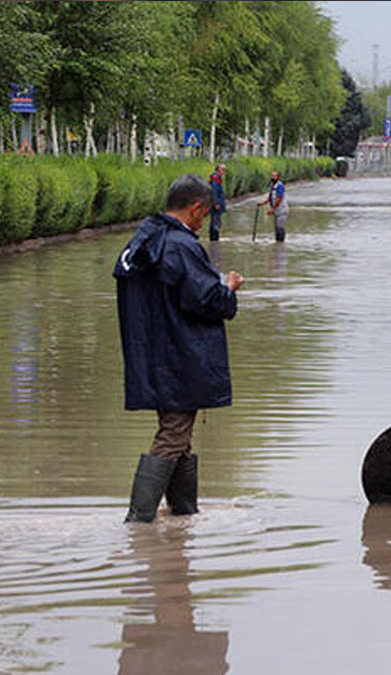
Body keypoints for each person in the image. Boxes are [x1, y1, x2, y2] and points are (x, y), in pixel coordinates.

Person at [114, 174, 245, 523]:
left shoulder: (145, 242)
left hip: (154, 356)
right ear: (196, 208)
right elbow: (208, 300)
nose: (203, 222)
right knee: (173, 436)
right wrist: (229, 287)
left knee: (180, 435)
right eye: (205, 214)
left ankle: (183, 517)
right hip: (181, 357)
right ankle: (138, 523)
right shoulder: (180, 245)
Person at [259, 170, 289, 242]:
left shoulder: (280, 186)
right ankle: (278, 243)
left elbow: (279, 198)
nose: (272, 177)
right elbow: (270, 197)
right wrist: (262, 203)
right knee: (276, 227)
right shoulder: (272, 186)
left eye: (274, 176)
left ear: (278, 177)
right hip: (276, 210)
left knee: (279, 226)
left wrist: (272, 209)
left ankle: (281, 243)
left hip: (282, 210)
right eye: (272, 176)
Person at [207, 164, 227, 241]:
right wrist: (216, 203)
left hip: (217, 204)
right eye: (223, 170)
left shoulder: (217, 179)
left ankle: (214, 238)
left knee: (216, 222)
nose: (224, 172)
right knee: (215, 222)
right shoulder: (215, 179)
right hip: (215, 205)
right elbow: (214, 192)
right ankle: (214, 239)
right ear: (218, 170)